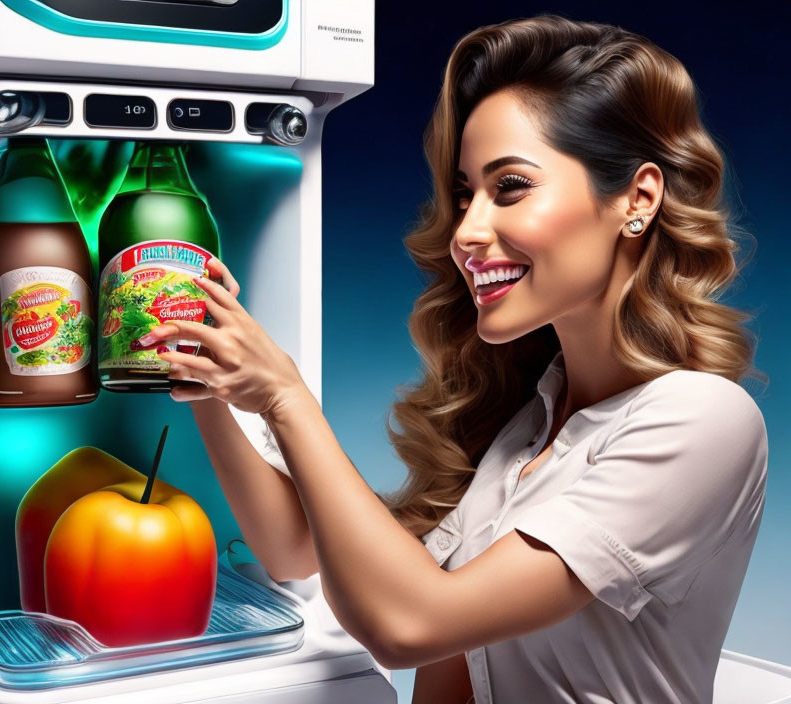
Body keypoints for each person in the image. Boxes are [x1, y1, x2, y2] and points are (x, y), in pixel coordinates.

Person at [134, 13, 769, 704]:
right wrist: (206, 379)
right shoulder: (531, 427)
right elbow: (295, 547)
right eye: (466, 193)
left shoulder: (702, 421)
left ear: (636, 199)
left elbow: (412, 623)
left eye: (511, 187)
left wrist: (287, 398)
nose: (465, 231)